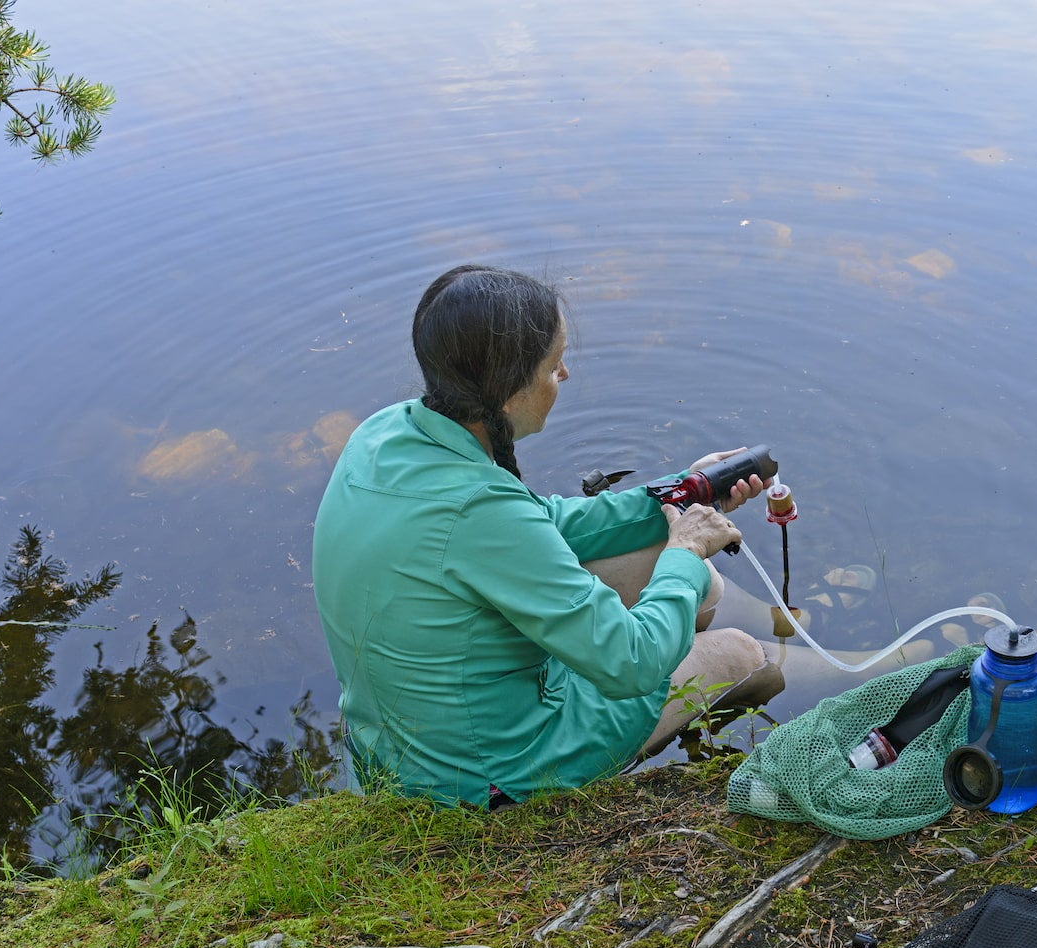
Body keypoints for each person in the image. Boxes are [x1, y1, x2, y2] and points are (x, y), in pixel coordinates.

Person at [311, 264, 778, 809]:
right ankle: (799, 670)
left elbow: (541, 521)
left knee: (703, 588)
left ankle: (729, 634)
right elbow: (629, 664)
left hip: (398, 742)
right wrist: (685, 551)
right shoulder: (479, 512)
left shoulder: (388, 431)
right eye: (555, 366)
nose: (566, 376)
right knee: (739, 653)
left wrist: (681, 493)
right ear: (509, 392)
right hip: (482, 774)